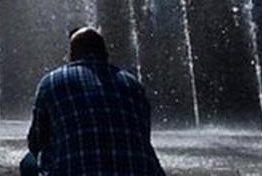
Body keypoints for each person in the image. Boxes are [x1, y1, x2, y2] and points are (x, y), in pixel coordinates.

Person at [24, 27, 165, 176]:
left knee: (29, 163)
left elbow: (36, 141)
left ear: (72, 55)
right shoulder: (133, 84)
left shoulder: (51, 81)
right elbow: (143, 134)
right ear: (105, 54)